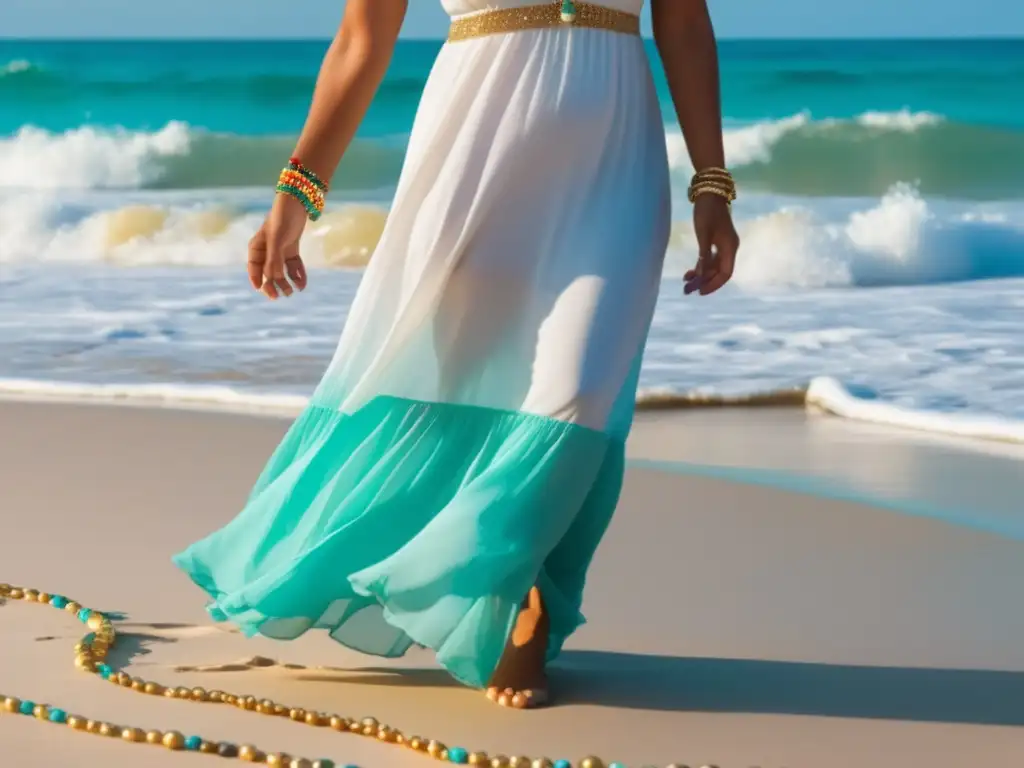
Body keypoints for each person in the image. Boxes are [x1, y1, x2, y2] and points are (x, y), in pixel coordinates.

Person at [174, 0, 739, 710]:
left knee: (579, 386)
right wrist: (299, 188)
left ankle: (503, 586)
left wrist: (711, 184)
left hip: (615, 163)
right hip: (473, 156)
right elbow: (361, 38)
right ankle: (501, 594)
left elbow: (683, 24)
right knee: (458, 372)